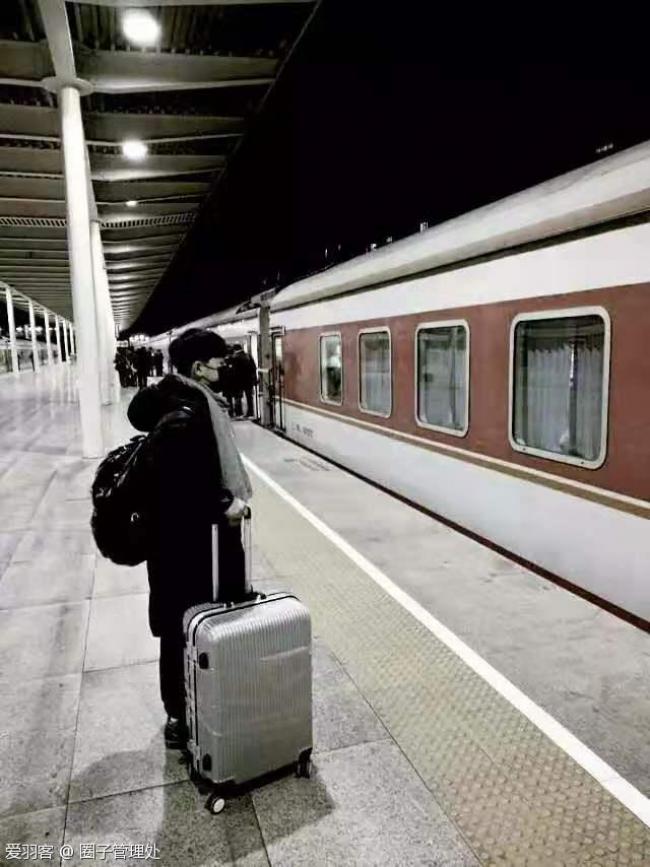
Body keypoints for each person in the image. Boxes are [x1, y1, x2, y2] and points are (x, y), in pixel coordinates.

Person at [127, 328, 252, 749]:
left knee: (183, 624)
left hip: (181, 544)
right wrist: (225, 504)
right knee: (185, 626)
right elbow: (184, 485)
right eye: (218, 363)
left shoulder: (189, 403)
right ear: (198, 368)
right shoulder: (187, 413)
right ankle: (180, 715)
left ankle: (191, 707)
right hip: (189, 546)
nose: (224, 369)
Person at [229, 344, 258, 418]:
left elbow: (234, 371)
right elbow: (254, 368)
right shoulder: (248, 356)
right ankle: (250, 413)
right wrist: (254, 378)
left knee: (238, 397)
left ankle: (239, 413)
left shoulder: (235, 358)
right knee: (249, 397)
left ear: (235, 350)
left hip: (239, 381)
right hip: (249, 380)